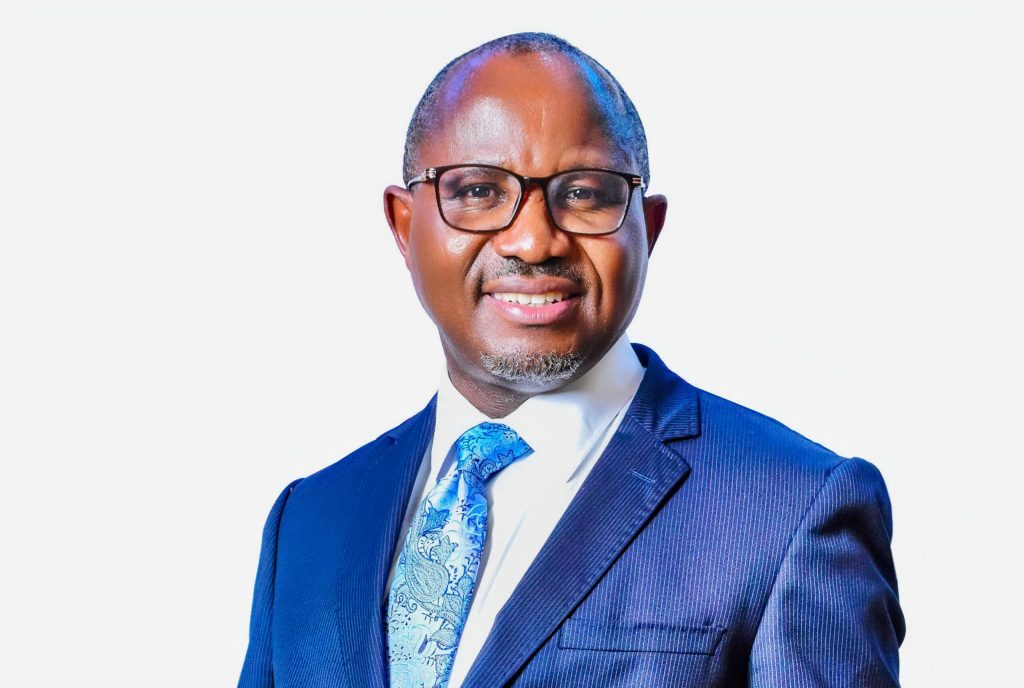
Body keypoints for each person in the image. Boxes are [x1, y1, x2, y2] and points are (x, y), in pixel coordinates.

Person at [237, 32, 905, 688]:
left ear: (648, 228)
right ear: (405, 226)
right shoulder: (309, 521)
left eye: (584, 193)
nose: (533, 241)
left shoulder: (789, 509)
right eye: (479, 192)